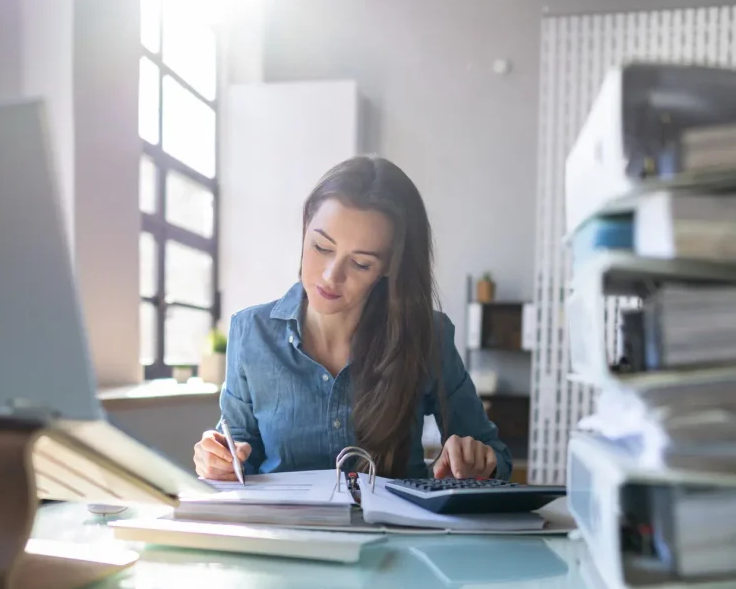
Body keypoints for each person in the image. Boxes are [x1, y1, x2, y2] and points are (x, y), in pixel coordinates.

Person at [194, 155, 511, 482]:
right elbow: (240, 452)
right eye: (320, 246)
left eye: (360, 264)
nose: (331, 276)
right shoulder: (250, 332)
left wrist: (476, 460)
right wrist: (219, 461)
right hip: (286, 531)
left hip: (394, 531)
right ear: (305, 228)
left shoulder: (425, 334)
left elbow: (494, 453)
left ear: (390, 267)